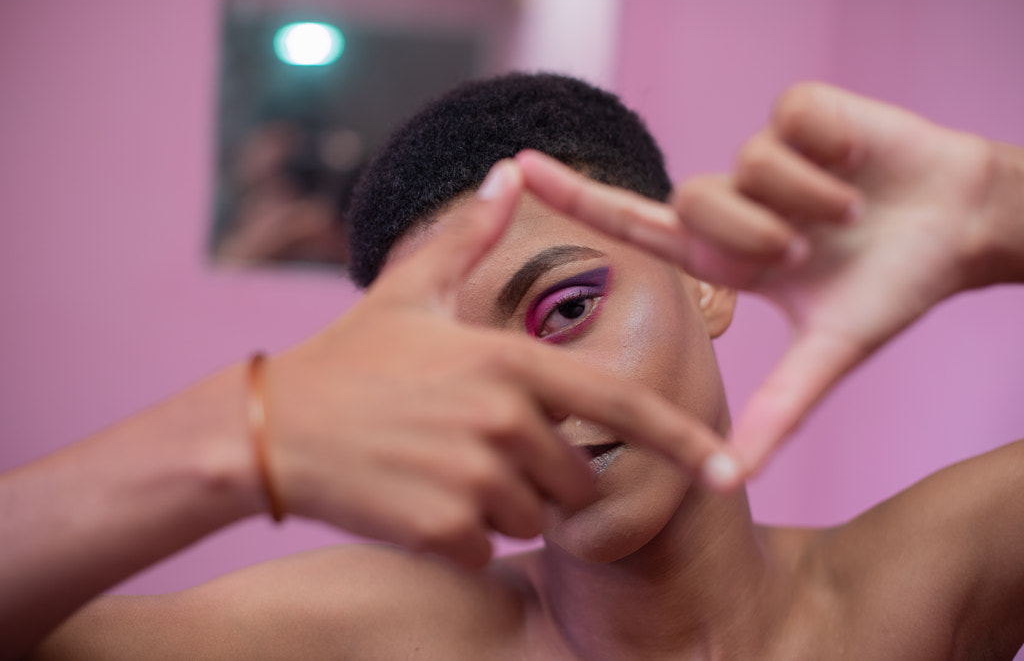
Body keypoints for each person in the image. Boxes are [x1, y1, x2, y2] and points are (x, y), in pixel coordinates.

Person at [7, 73, 1024, 659]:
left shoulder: (920, 589)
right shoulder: (402, 635)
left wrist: (998, 211)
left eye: (567, 308)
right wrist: (244, 430)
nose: (523, 400)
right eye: (462, 368)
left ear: (705, 280)